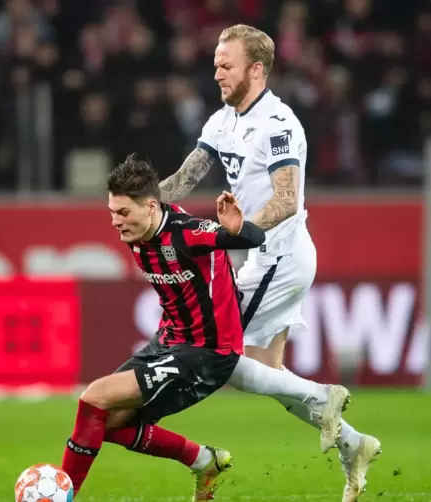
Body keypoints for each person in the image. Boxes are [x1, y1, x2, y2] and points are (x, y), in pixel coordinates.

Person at [157, 24, 381, 501]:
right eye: (216, 62)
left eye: (226, 65)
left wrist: (234, 232)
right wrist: (143, 203)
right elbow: (186, 176)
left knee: (217, 352)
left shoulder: (278, 124)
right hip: (260, 255)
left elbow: (286, 198)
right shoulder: (222, 121)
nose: (216, 72)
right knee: (268, 377)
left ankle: (323, 398)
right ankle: (353, 443)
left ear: (255, 70)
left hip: (279, 256)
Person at [61, 155, 350, 501]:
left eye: (123, 213)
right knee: (105, 424)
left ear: (151, 206)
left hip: (204, 354)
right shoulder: (138, 236)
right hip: (169, 343)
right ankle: (203, 460)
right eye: (111, 212)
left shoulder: (188, 233)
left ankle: (63, 494)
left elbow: (250, 239)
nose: (115, 222)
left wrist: (237, 227)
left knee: (94, 397)